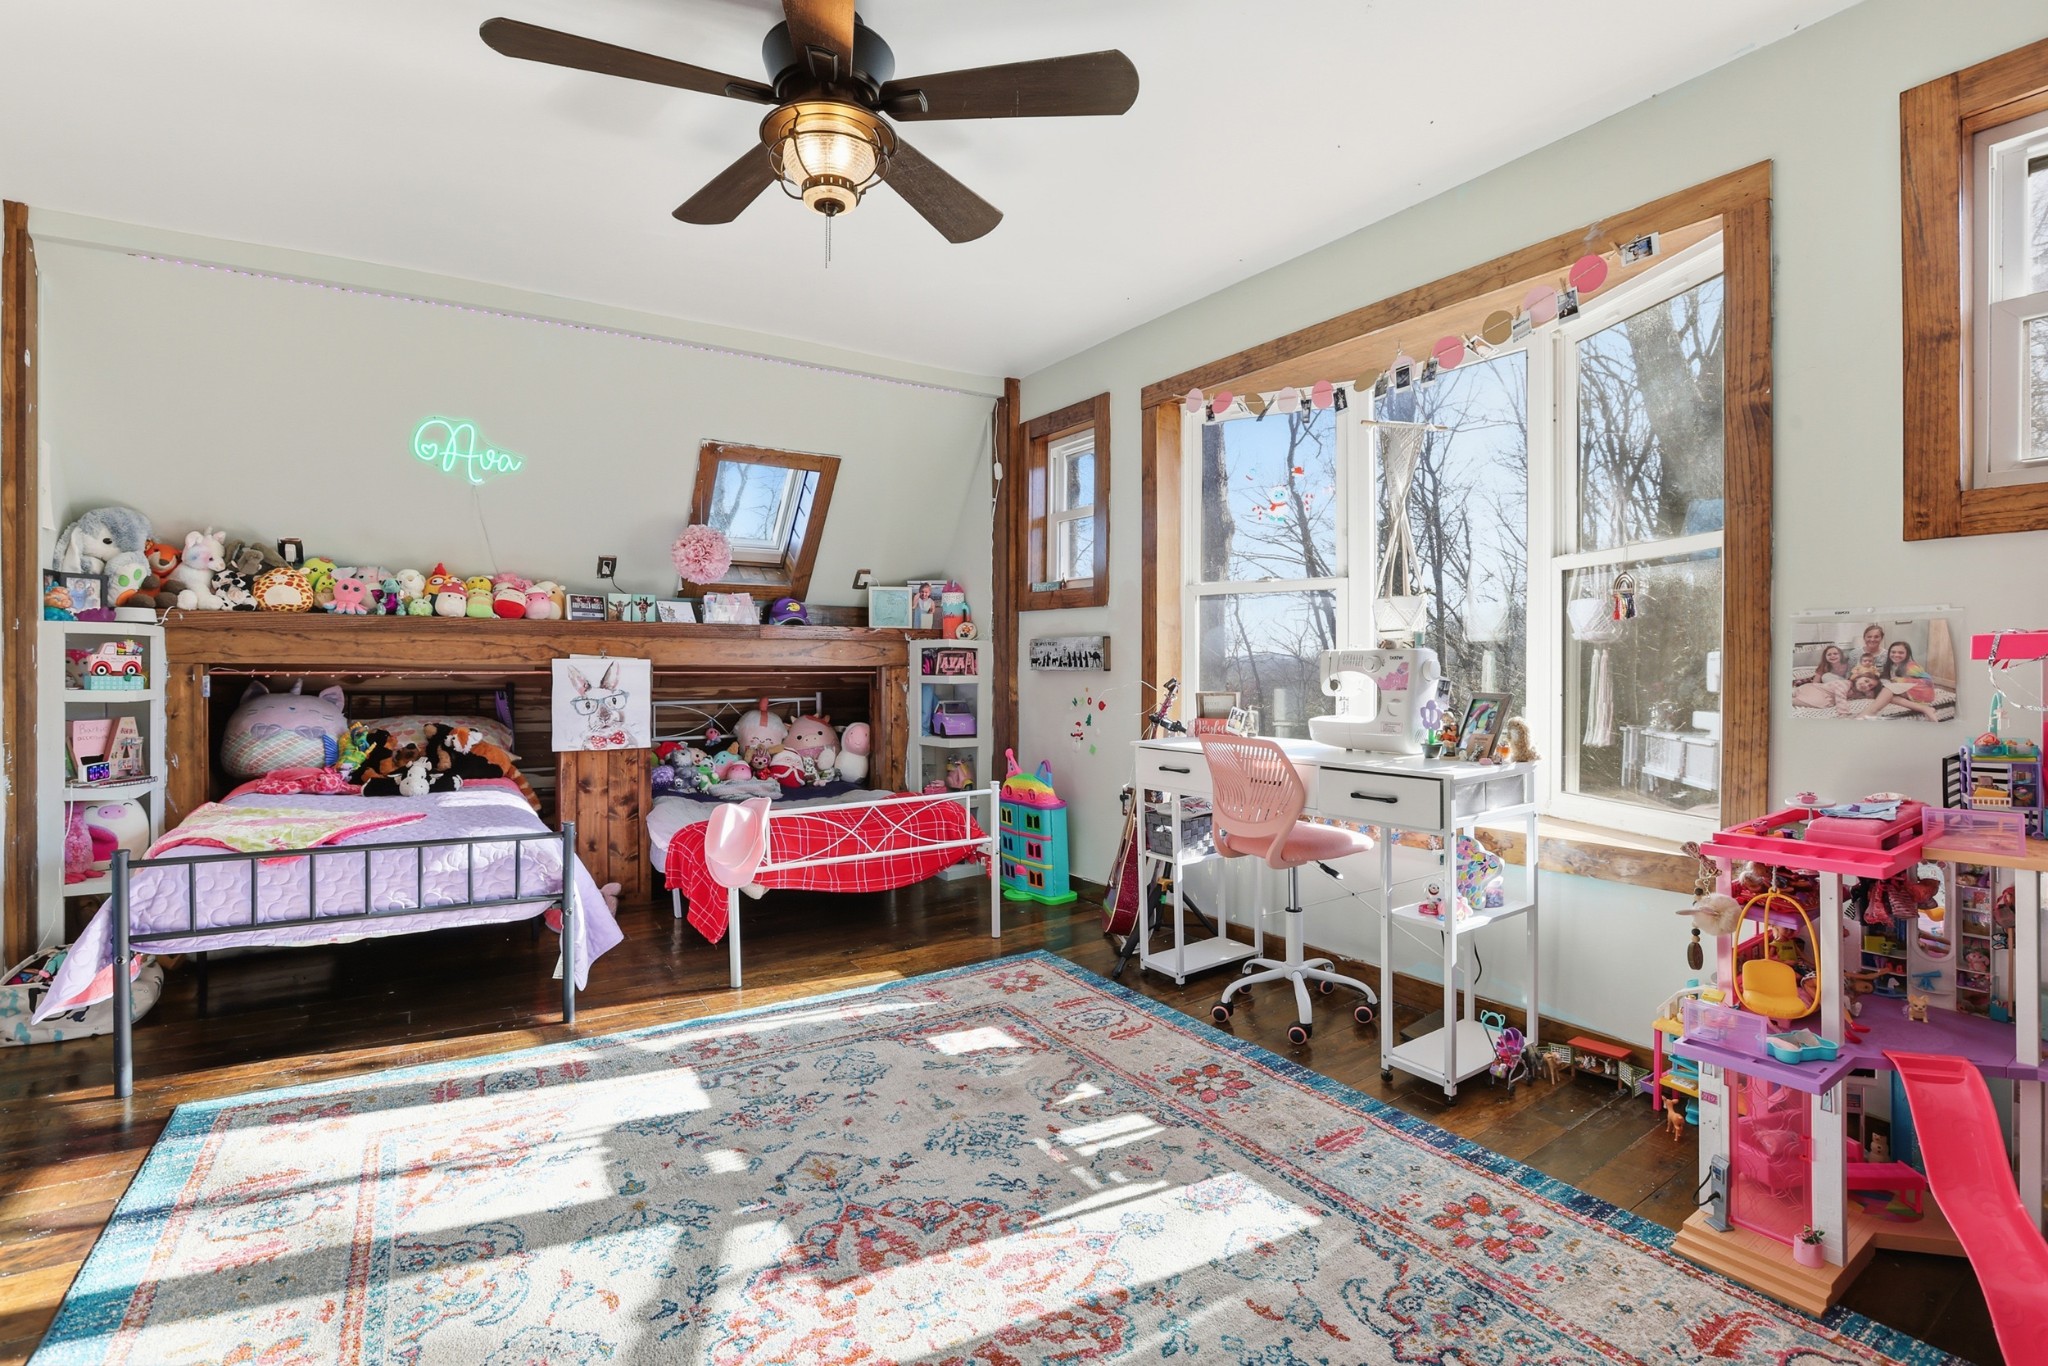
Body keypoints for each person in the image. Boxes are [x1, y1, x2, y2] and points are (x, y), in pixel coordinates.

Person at [1857, 640, 1939, 720]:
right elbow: (1887, 678)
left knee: (1888, 689)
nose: (1896, 655)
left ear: (1907, 654)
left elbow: (1927, 681)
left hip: (1922, 691)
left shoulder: (1911, 666)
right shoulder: (1891, 665)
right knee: (1888, 697)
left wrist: (1894, 682)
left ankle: (1869, 712)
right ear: (1889, 653)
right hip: (1909, 690)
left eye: (1901, 653)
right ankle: (1925, 709)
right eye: (1893, 652)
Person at [1793, 643, 1852, 710]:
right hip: (1831, 689)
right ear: (1825, 657)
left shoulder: (1847, 664)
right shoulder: (1824, 667)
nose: (1832, 656)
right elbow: (1815, 684)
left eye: (1835, 654)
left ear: (1841, 655)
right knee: (1825, 677)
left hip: (1846, 687)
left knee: (1826, 676)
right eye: (1829, 655)